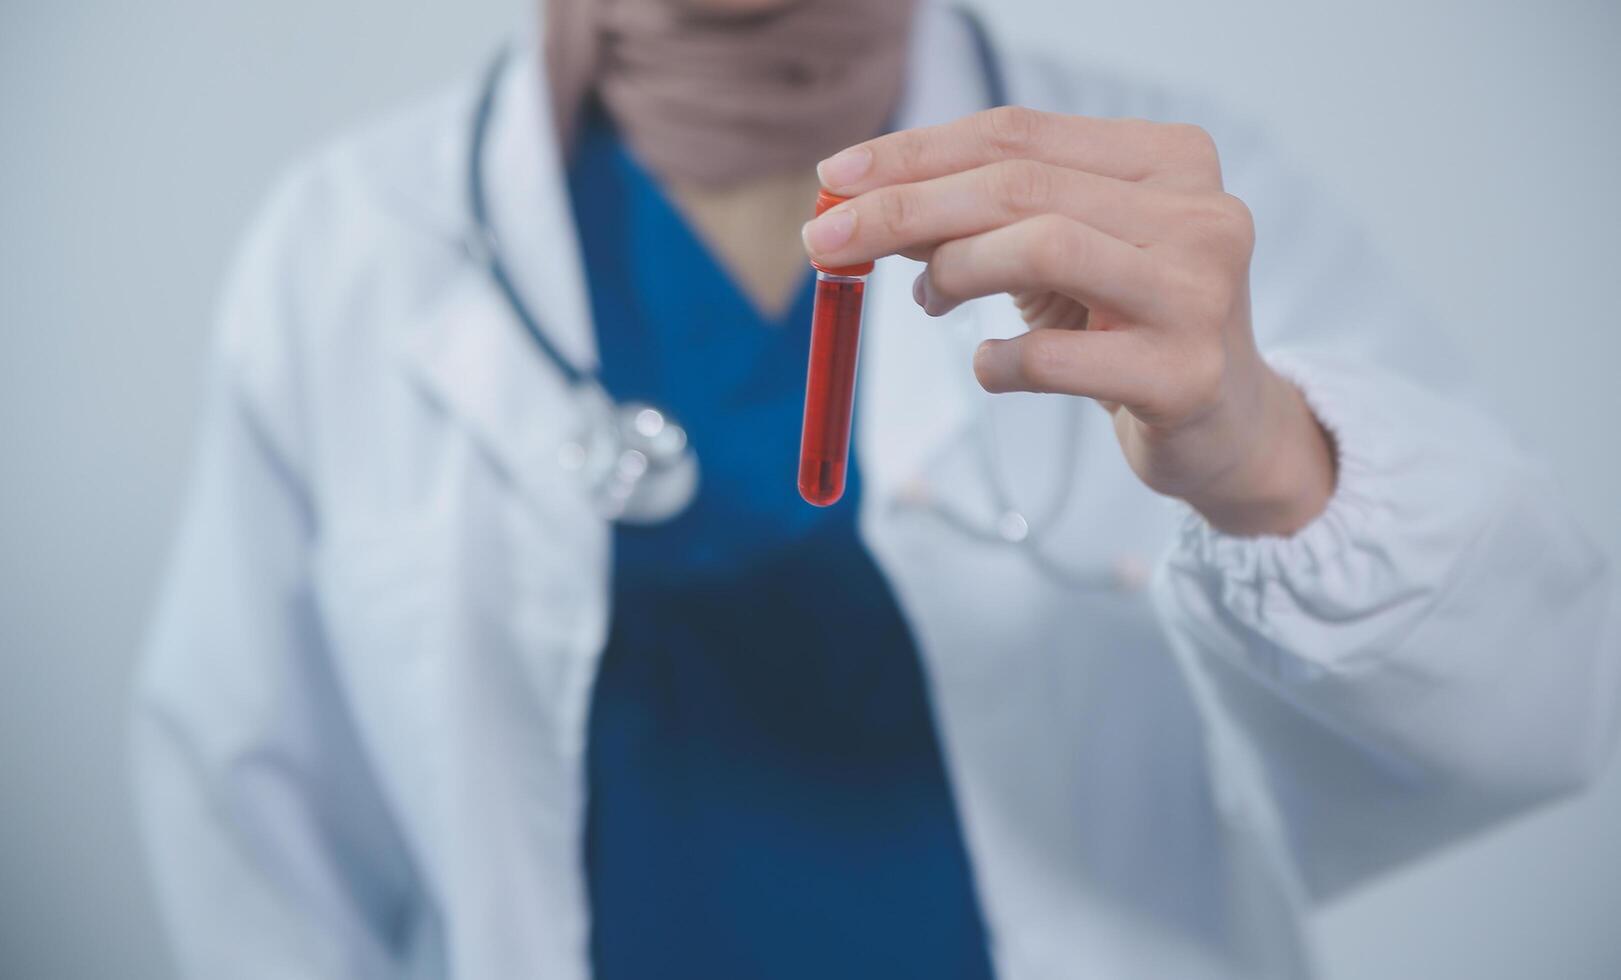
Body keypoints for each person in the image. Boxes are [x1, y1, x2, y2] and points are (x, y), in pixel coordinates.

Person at [134, 0, 1620, 977]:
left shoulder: (1197, 207)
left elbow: (1538, 702)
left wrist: (1270, 463)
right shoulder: (349, 248)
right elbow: (253, 832)